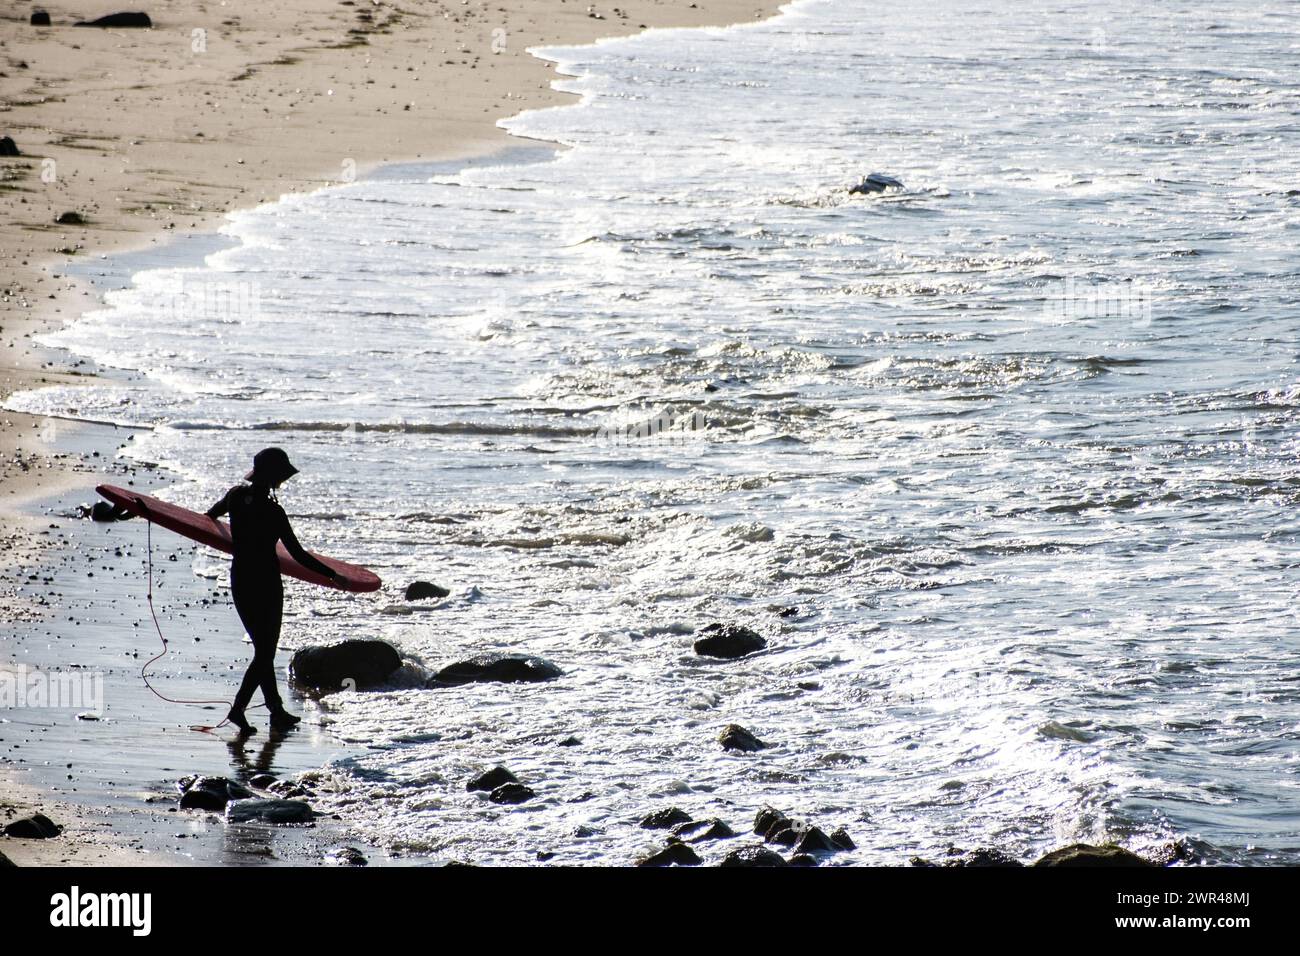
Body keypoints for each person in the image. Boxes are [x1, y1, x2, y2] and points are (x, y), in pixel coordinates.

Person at [206, 447, 339, 734]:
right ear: (276, 477)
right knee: (265, 652)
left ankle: (275, 710)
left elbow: (210, 516)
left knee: (262, 651)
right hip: (266, 583)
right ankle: (239, 709)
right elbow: (298, 555)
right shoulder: (274, 512)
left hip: (241, 578)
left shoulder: (236, 497)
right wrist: (332, 575)